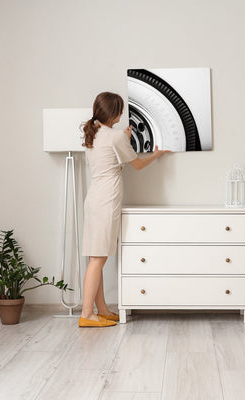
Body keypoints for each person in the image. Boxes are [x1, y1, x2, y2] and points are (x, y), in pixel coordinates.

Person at [79, 92, 170, 327]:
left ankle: (101, 310)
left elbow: (109, 161)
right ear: (113, 113)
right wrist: (157, 154)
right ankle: (86, 314)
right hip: (106, 201)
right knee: (98, 260)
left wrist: (125, 139)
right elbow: (137, 164)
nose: (122, 113)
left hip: (94, 200)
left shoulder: (94, 134)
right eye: (120, 109)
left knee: (95, 258)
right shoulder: (116, 136)